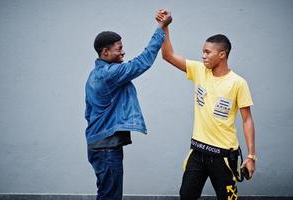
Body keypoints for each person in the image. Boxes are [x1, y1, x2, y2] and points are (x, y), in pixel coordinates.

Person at [156, 10, 256, 200]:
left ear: (222, 55)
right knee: (186, 196)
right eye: (203, 51)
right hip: (198, 151)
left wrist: (251, 156)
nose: (203, 56)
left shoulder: (238, 83)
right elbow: (168, 55)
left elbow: (247, 119)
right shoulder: (199, 71)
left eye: (207, 52)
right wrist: (166, 27)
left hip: (224, 156)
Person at [84, 10, 172, 200]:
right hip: (106, 147)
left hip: (98, 144)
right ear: (105, 52)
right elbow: (143, 61)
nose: (123, 51)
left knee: (106, 193)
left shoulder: (93, 76)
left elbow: (88, 112)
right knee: (111, 197)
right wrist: (161, 28)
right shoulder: (110, 73)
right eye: (119, 48)